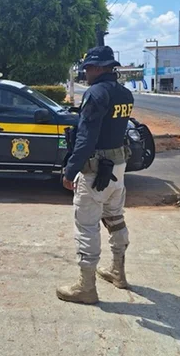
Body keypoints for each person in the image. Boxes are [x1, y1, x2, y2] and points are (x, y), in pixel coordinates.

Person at [57, 45, 134, 304]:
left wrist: (70, 170)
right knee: (115, 217)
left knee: (87, 225)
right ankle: (118, 272)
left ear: (100, 68)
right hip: (118, 168)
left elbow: (86, 138)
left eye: (89, 67)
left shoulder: (96, 94)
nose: (86, 72)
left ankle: (86, 287)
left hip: (95, 171)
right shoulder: (125, 94)